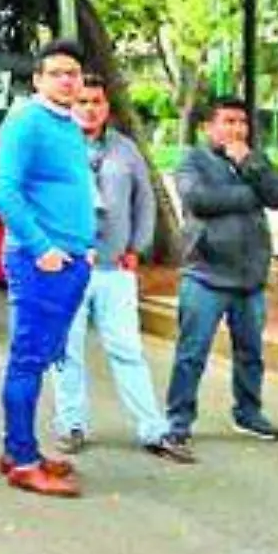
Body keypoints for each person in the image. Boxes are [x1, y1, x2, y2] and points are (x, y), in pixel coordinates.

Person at [50, 76, 193, 464]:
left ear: (107, 107)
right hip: (70, 266)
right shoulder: (56, 147)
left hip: (115, 269)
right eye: (82, 101)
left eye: (97, 101)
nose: (90, 108)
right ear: (70, 105)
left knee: (128, 349)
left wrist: (137, 248)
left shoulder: (125, 150)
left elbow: (145, 202)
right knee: (67, 351)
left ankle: (153, 429)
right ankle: (71, 423)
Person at [0, 40, 96, 498]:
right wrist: (42, 249)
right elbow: (2, 192)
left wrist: (85, 248)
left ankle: (19, 448)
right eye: (57, 73)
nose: (68, 81)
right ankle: (24, 463)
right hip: (40, 263)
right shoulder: (26, 121)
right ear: (38, 79)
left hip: (71, 260)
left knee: (45, 354)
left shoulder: (67, 123)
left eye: (74, 73)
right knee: (29, 359)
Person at [164, 96, 278, 449]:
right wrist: (252, 194)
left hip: (250, 276)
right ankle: (178, 419)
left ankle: (249, 413)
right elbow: (200, 200)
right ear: (208, 127)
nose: (236, 129)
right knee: (192, 352)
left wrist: (249, 164)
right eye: (228, 122)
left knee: (250, 352)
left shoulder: (254, 160)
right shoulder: (193, 161)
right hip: (205, 273)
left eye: (241, 122)